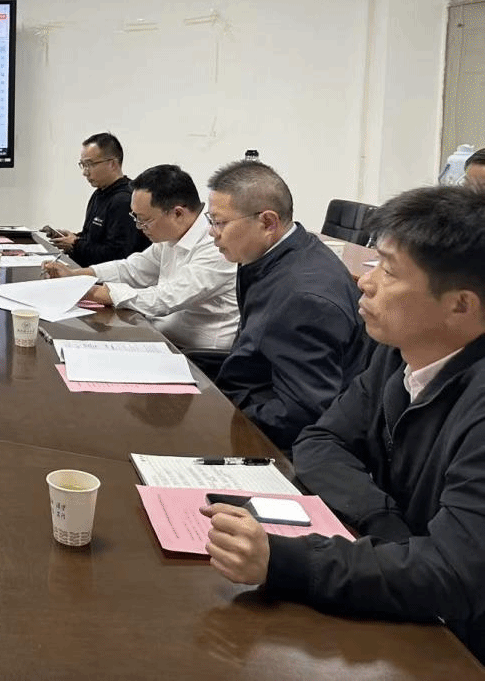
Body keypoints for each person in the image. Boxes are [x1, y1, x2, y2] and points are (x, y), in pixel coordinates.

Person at [202, 186, 485, 661]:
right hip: (405, 595)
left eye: (388, 270)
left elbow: (454, 573)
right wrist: (383, 520)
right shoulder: (398, 353)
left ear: (460, 305)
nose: (365, 282)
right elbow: (321, 439)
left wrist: (284, 561)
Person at [206, 160, 365, 449]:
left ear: (268, 222)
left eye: (220, 222)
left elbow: (300, 415)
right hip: (250, 402)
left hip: (275, 442)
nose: (212, 233)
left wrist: (221, 417)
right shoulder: (267, 257)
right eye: (211, 221)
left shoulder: (304, 297)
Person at [43, 164, 238, 353]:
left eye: (145, 220)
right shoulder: (171, 237)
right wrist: (77, 274)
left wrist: (86, 290)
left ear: (178, 213)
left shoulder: (216, 246)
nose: (138, 227)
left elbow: (165, 298)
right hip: (160, 337)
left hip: (197, 356)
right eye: (136, 217)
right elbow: (132, 269)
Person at [48, 132, 149, 266]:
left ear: (112, 164)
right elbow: (94, 239)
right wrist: (73, 238)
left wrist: (75, 244)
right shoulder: (99, 194)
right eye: (83, 165)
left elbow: (118, 256)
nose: (85, 172)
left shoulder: (124, 200)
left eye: (90, 164)